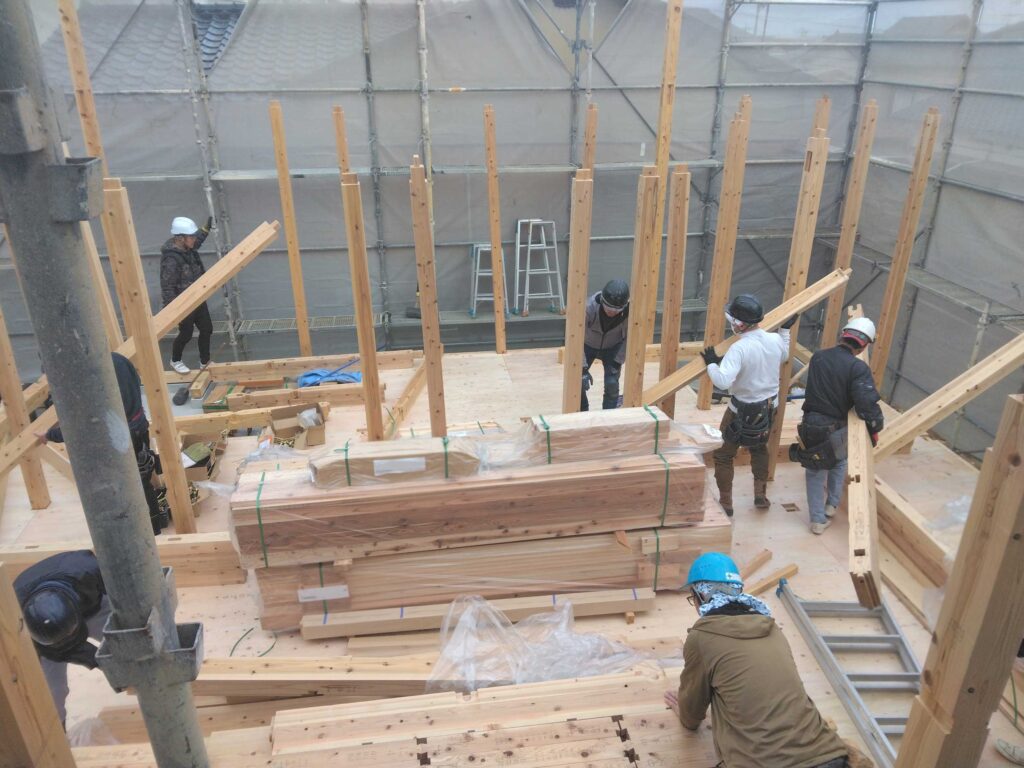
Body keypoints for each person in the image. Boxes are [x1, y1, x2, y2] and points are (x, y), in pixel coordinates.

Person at [664, 552, 849, 768]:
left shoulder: (702, 638)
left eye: (692, 598)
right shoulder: (772, 628)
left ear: (701, 596)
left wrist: (686, 713)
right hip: (828, 754)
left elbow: (692, 713)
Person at [37, 353, 167, 534]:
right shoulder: (119, 360)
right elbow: (135, 385)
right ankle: (154, 529)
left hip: (117, 439)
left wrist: (51, 435)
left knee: (119, 488)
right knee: (142, 479)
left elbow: (85, 424)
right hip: (138, 427)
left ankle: (132, 536)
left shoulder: (87, 377)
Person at [700, 295, 796, 516]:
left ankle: (726, 503)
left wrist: (712, 364)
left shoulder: (739, 348)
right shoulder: (773, 339)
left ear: (740, 324)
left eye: (732, 320)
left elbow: (723, 381)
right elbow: (784, 354)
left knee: (724, 455)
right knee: (759, 448)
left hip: (741, 411)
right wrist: (785, 331)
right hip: (768, 407)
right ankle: (760, 495)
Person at [796, 317, 884, 535]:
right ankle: (830, 507)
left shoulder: (818, 357)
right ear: (864, 345)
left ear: (843, 335)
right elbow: (865, 403)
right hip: (836, 426)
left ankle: (818, 519)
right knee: (838, 461)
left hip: (811, 423)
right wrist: (875, 426)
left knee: (815, 471)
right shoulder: (858, 368)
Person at [14, 550, 110, 727]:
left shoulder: (87, 570)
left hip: (92, 604)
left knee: (128, 640)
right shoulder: (14, 614)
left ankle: (144, 682)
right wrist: (95, 659)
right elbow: (60, 652)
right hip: (45, 642)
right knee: (52, 691)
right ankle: (58, 733)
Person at [161, 215, 213, 375]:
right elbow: (167, 287)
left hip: (197, 298)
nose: (194, 239)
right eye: (191, 236)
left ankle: (205, 361)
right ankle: (175, 360)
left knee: (207, 329)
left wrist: (205, 230)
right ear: (180, 238)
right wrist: (173, 309)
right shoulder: (171, 259)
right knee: (186, 333)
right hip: (183, 302)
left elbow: (198, 240)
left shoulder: (189, 248)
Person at [581, 279, 630, 411]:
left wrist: (618, 361)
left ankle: (609, 416)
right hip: (587, 345)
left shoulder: (630, 313)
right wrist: (582, 369)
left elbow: (630, 339)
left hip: (613, 347)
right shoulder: (589, 308)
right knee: (578, 383)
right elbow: (575, 338)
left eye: (616, 309)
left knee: (612, 384)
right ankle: (583, 413)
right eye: (608, 308)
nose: (611, 312)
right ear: (602, 300)